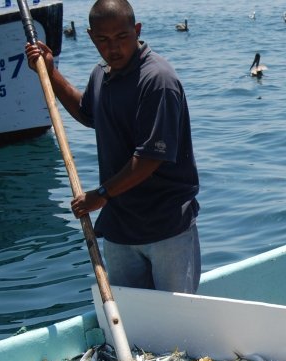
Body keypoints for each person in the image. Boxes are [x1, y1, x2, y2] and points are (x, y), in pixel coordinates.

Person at [25, 0, 201, 294]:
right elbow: (86, 113)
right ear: (91, 37)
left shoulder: (157, 79)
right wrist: (50, 72)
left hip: (166, 228)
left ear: (137, 30)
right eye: (104, 40)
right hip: (120, 229)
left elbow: (148, 159)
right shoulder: (101, 74)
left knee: (176, 326)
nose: (113, 48)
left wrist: (101, 195)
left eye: (122, 37)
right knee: (132, 322)